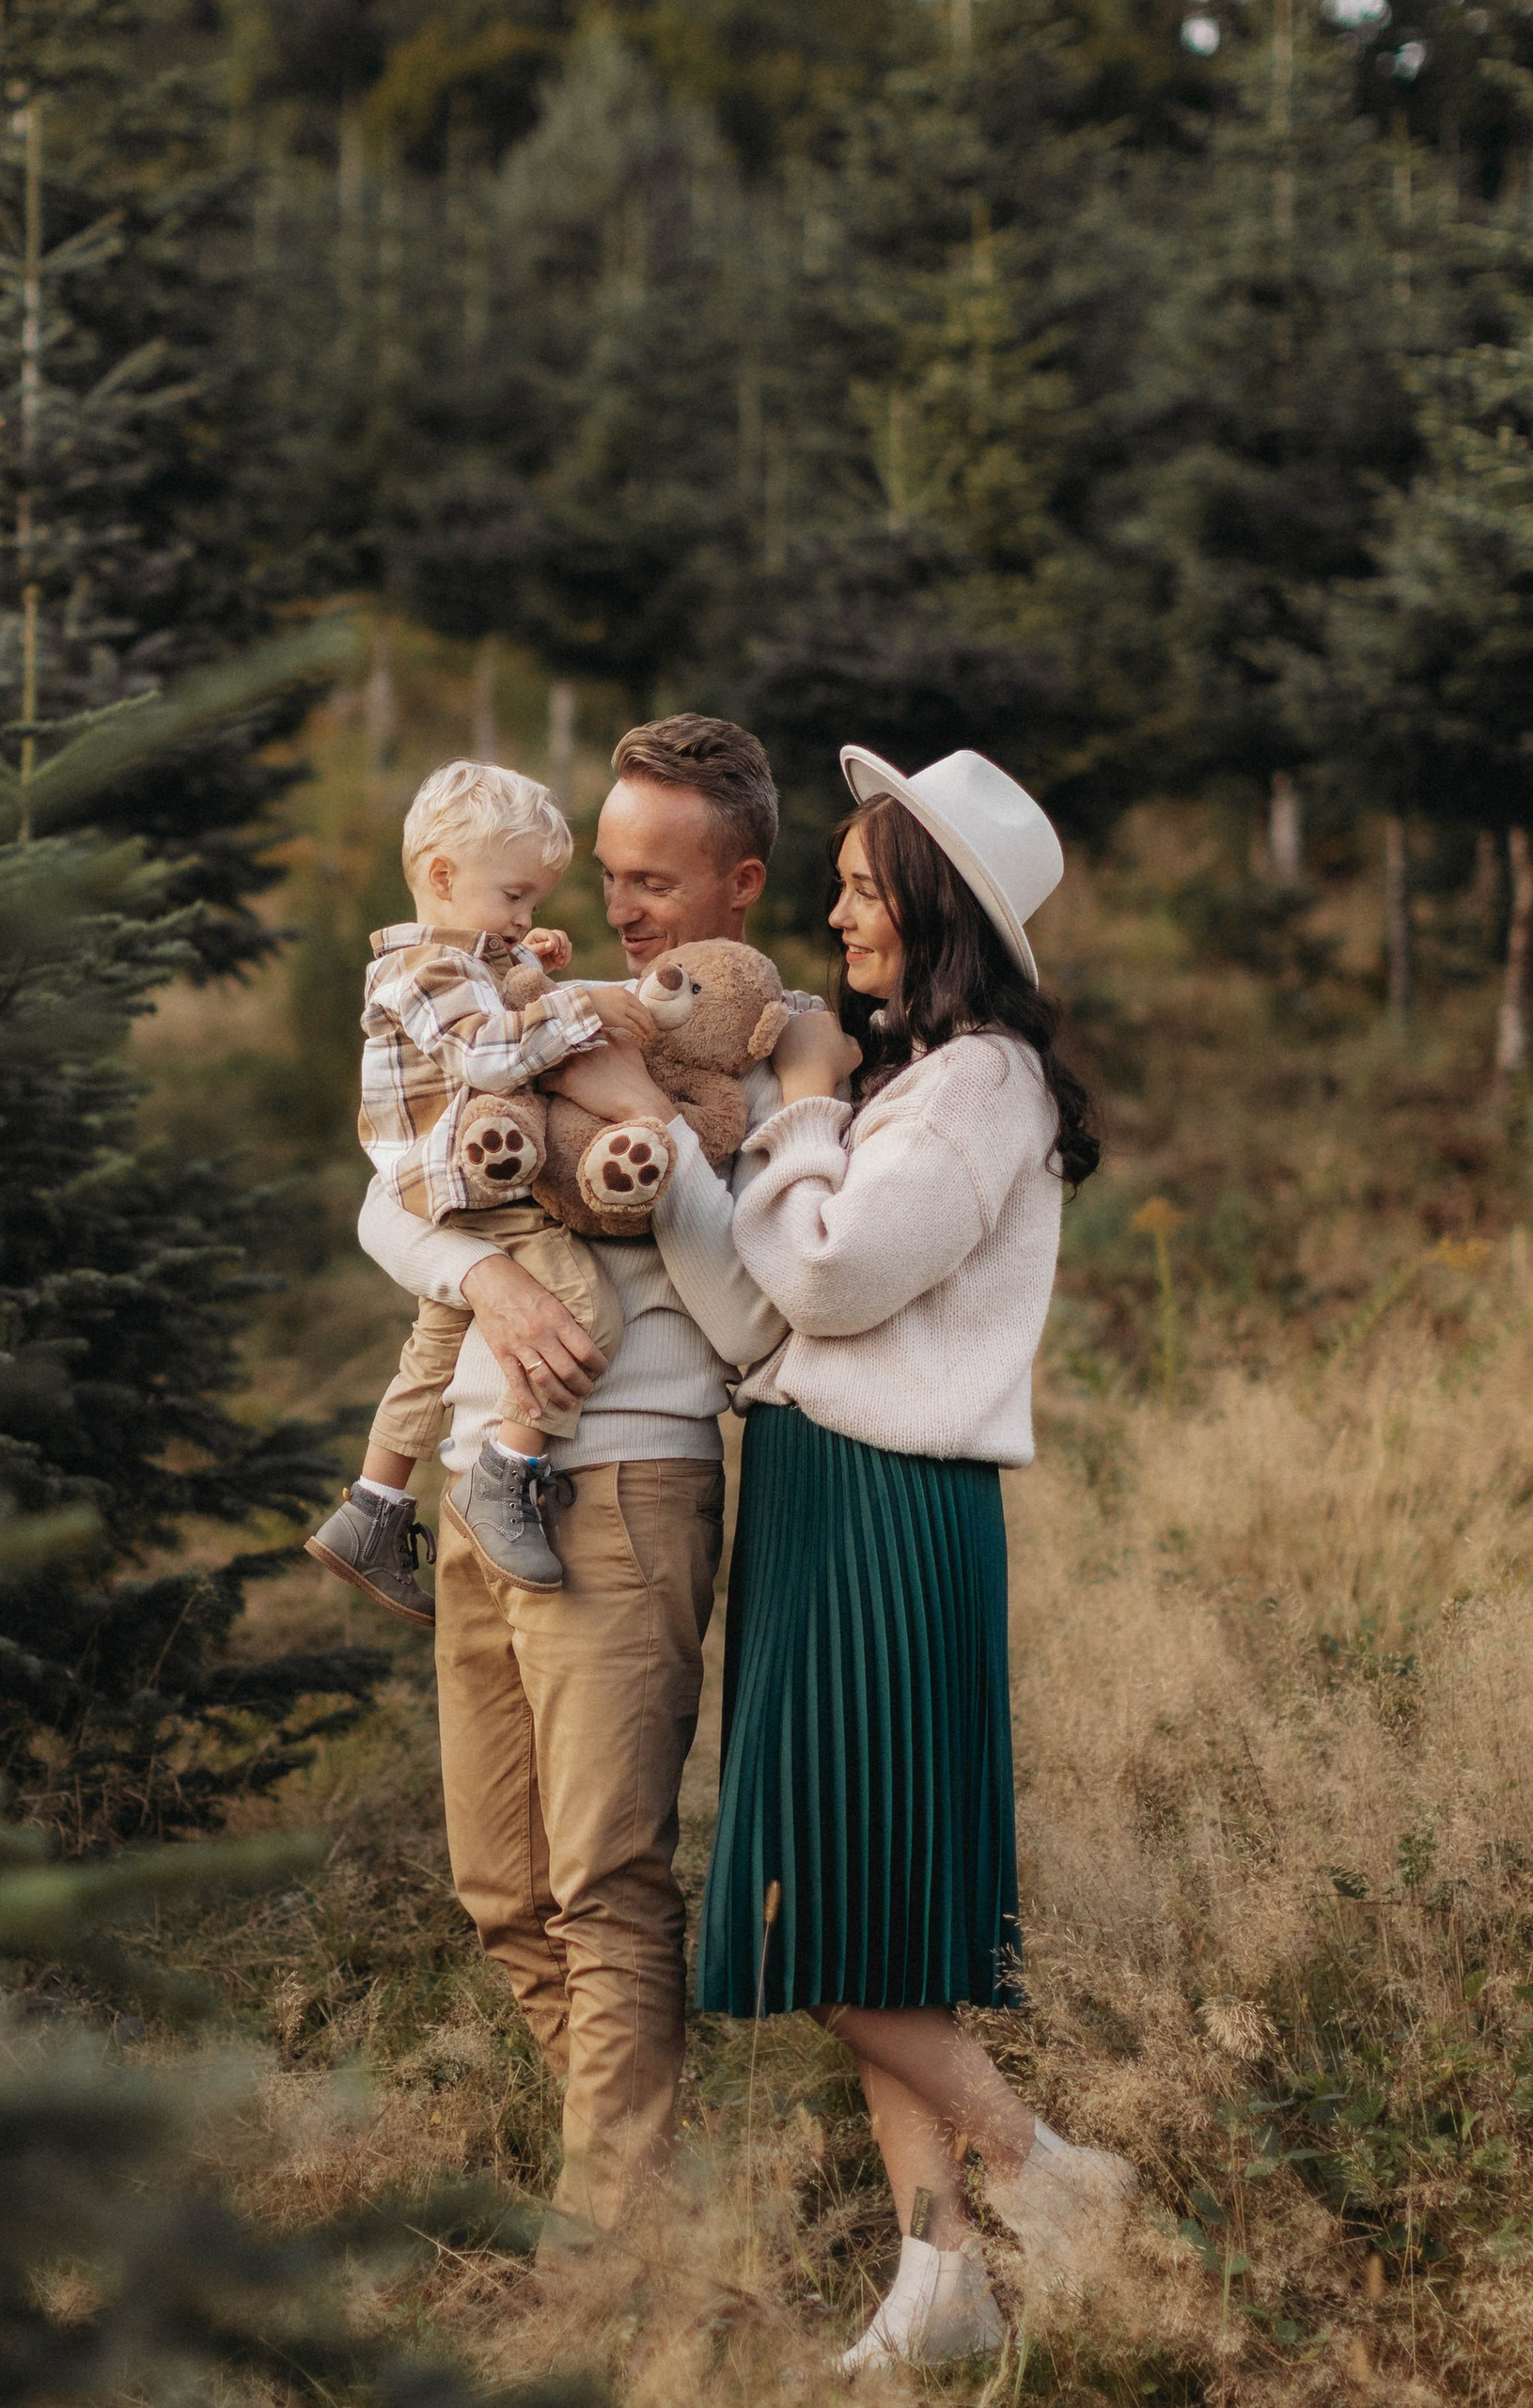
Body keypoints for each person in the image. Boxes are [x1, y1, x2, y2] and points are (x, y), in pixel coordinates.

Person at [693, 745, 1136, 2370]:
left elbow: (830, 1278)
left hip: (883, 1504)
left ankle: (1051, 2174)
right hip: (827, 1492)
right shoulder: (923, 1075)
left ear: (933, 906)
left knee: (815, 1915)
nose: (834, 913)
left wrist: (804, 1099)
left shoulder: (979, 1085)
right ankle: (942, 2286)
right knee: (869, 1916)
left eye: (862, 887)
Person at [356, 714, 799, 2246]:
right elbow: (387, 1200)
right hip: (486, 1475)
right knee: (501, 1891)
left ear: (741, 883)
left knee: (605, 1883)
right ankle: (660, 2217)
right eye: (611, 875)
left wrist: (660, 1153)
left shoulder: (765, 1043)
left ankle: (610, 2261)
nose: (625, 911)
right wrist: (486, 1289)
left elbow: (757, 1324)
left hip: (626, 1488)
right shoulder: (544, 994)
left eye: (659, 881)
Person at [307, 761, 659, 1617]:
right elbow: (484, 1054)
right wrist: (584, 1009)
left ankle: (372, 1509)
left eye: (533, 904)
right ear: (441, 878)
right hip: (476, 1185)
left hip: (450, 1189)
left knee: (430, 1354)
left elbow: (488, 997)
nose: (524, 917)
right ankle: (507, 1480)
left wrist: (521, 957)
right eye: (512, 898)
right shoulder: (423, 973)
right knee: (586, 1314)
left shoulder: (456, 958)